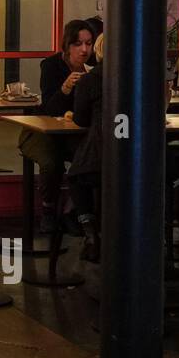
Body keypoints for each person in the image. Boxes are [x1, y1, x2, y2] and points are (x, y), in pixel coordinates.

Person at [20, 19, 94, 232]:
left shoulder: (94, 70)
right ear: (67, 45)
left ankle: (75, 211)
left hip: (76, 131)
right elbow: (49, 108)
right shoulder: (52, 65)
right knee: (52, 163)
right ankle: (49, 210)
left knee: (90, 158)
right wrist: (65, 88)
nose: (84, 49)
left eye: (88, 44)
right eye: (78, 44)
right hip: (43, 130)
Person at [68, 33, 106, 263]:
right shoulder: (142, 74)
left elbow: (81, 119)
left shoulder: (91, 80)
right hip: (143, 157)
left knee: (76, 176)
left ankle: (90, 232)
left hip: (101, 153)